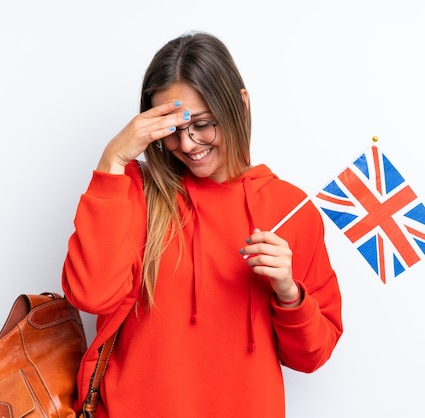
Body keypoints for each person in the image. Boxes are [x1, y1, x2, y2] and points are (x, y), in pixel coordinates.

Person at [63, 31, 343, 417]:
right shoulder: (136, 192)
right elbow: (89, 295)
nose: (190, 144)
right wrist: (112, 161)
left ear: (240, 104)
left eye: (202, 124)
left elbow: (312, 355)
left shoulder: (292, 209)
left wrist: (288, 293)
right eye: (172, 131)